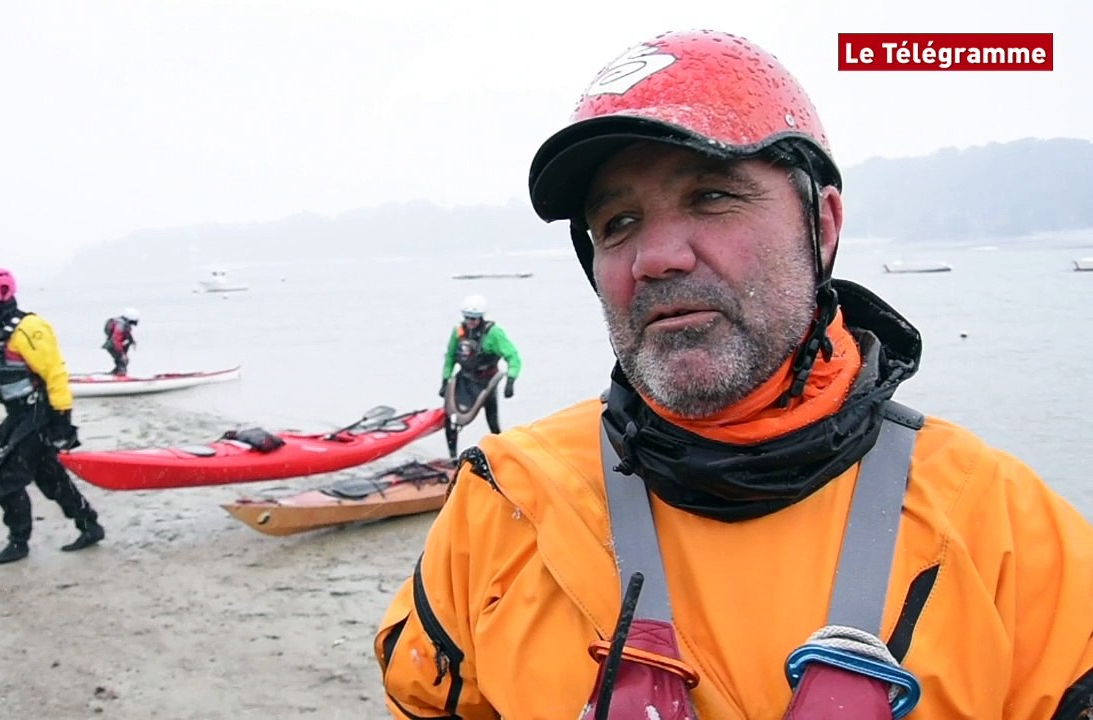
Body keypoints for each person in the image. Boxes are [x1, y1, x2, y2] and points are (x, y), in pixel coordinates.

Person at [376, 30, 1093, 719]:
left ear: (823, 225)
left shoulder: (1010, 540)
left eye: (711, 196)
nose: (655, 257)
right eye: (618, 221)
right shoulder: (501, 507)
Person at [0, 267, 106, 565]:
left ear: (1, 294)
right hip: (17, 415)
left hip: (39, 414)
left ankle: (18, 542)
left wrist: (63, 420)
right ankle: (89, 525)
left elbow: (55, 373)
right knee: (49, 477)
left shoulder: (30, 328)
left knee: (9, 480)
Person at [438, 294, 522, 459]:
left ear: (481, 317)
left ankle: (503, 455)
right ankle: (453, 458)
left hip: (486, 382)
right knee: (450, 419)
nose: (470, 321)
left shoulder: (494, 334)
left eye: (474, 319)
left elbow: (513, 357)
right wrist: (444, 380)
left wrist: (510, 380)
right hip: (463, 380)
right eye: (468, 318)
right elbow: (450, 357)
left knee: (492, 421)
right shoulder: (458, 332)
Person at [101, 307, 139, 376]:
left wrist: (132, 341)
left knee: (121, 361)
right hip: (113, 345)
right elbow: (116, 339)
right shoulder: (120, 325)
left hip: (114, 345)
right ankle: (121, 375)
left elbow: (127, 334)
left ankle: (116, 373)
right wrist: (121, 352)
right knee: (123, 360)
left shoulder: (124, 324)